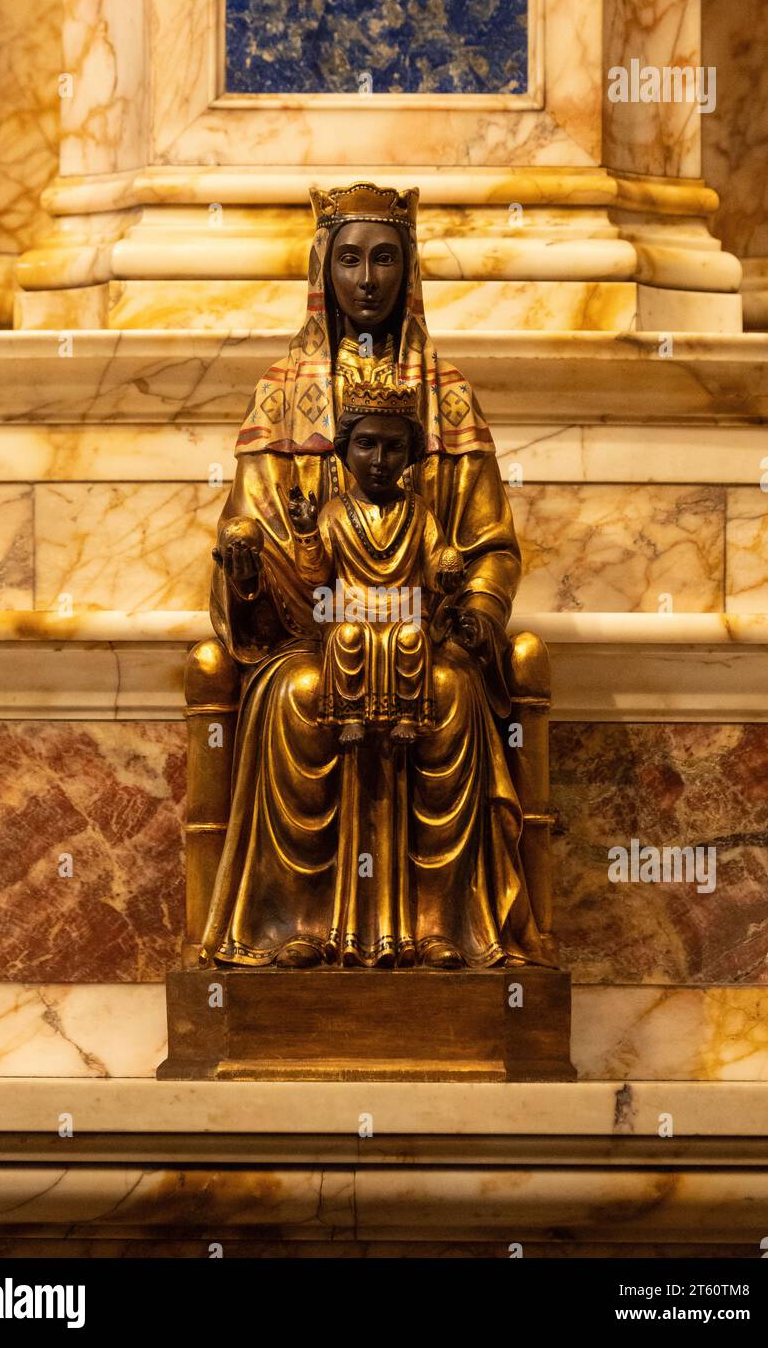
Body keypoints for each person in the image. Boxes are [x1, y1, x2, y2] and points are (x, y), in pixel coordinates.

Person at [199, 181, 552, 971]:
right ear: (324, 267)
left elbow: (492, 543)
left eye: (385, 257)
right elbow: (249, 527)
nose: (367, 278)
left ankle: (445, 928)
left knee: (455, 697)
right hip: (311, 635)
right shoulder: (283, 393)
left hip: (428, 633)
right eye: (350, 258)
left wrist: (478, 608)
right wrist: (250, 569)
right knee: (296, 701)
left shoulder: (449, 396)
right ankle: (292, 926)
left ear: (409, 266)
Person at [288, 380, 459, 746]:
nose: (380, 462)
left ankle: (409, 717)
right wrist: (306, 533)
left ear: (411, 454)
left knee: (413, 638)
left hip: (405, 609)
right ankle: (349, 715)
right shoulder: (334, 513)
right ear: (344, 451)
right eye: (366, 445)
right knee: (347, 637)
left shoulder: (419, 512)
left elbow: (433, 565)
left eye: (394, 447)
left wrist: (447, 567)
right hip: (351, 608)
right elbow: (316, 576)